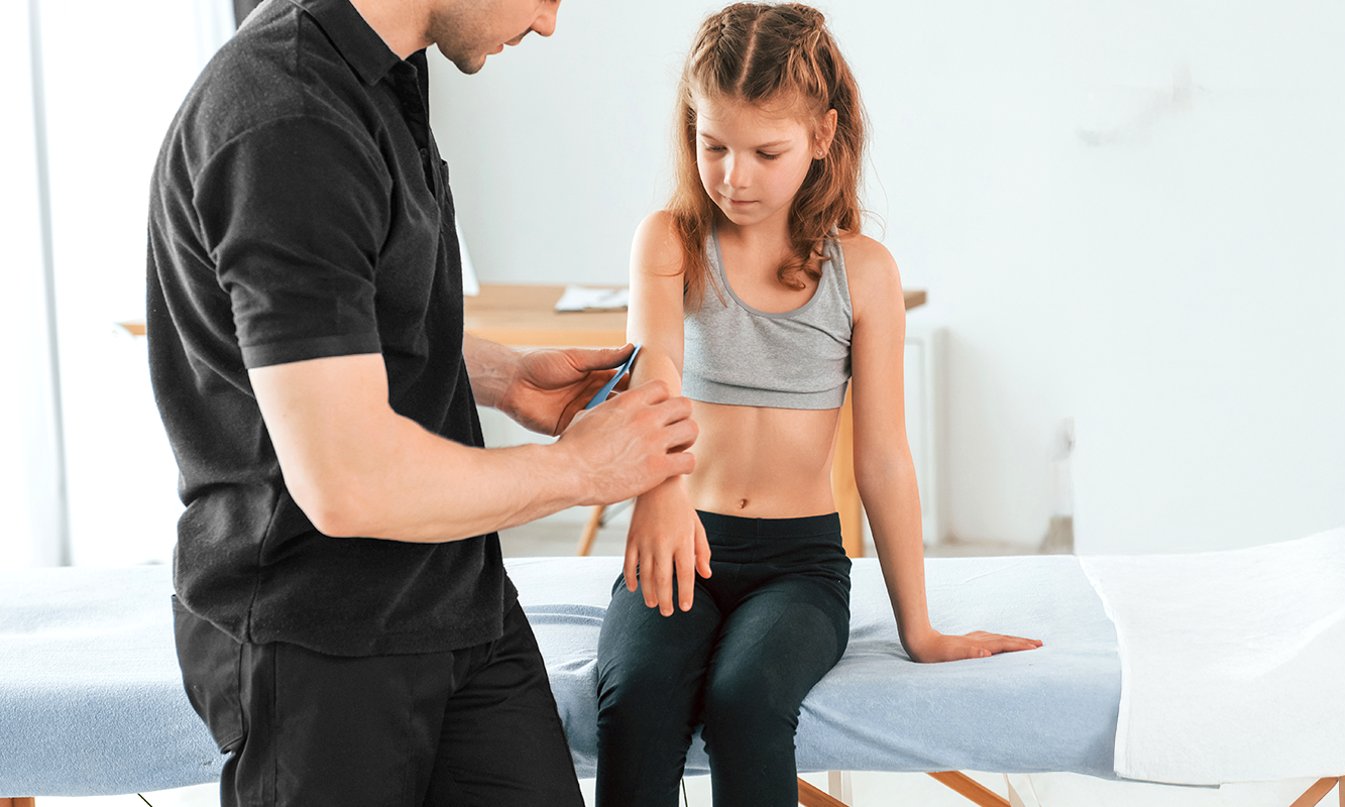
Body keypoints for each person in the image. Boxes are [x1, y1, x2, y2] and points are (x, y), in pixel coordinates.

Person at [145, 0, 696, 803]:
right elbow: (348, 480)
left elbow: (344, 331)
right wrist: (582, 470)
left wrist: (502, 374)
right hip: (320, 639)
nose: (548, 23)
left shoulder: (386, 66)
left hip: (456, 600)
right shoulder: (288, 120)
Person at [594, 5, 1042, 806]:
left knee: (745, 700)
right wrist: (659, 494)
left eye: (766, 152)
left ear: (822, 136)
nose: (734, 176)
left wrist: (919, 629)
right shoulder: (668, 241)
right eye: (713, 146)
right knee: (636, 699)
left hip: (797, 569)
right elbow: (651, 378)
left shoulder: (863, 272)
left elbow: (883, 459)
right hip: (678, 541)